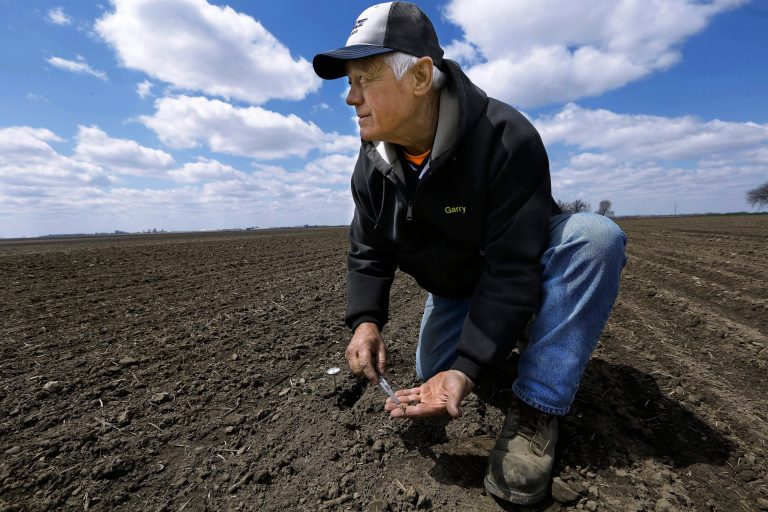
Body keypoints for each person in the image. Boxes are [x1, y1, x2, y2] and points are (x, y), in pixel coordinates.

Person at [313, 1, 626, 505]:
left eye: (363, 79)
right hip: (455, 289)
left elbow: (510, 269)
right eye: (348, 83)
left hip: (515, 270)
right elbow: (368, 250)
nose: (351, 99)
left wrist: (468, 367)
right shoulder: (372, 165)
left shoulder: (506, 139)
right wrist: (365, 322)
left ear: (419, 77)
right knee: (432, 372)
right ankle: (506, 343)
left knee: (594, 238)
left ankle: (537, 409)